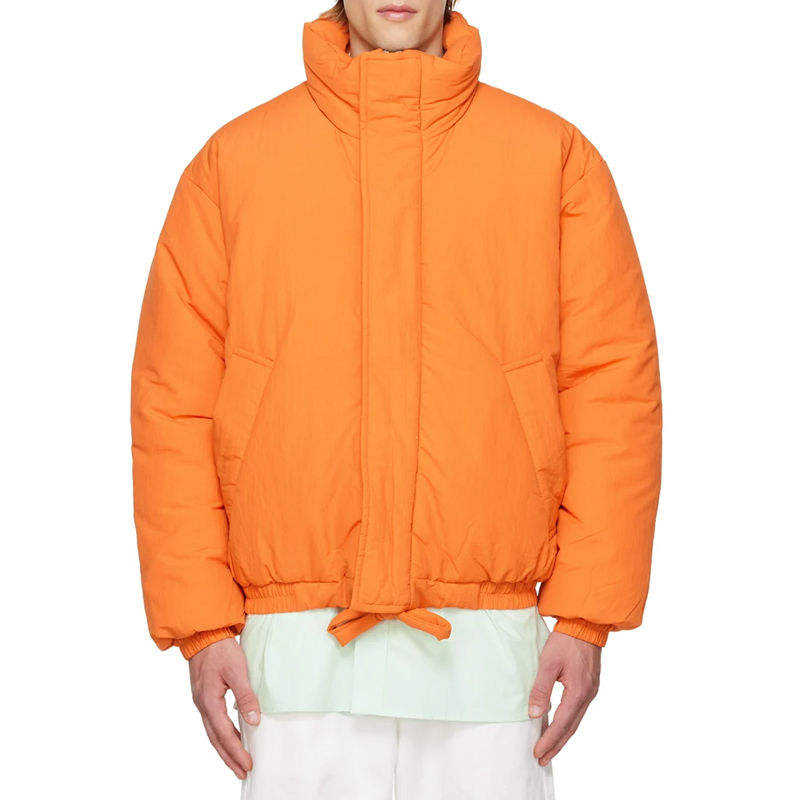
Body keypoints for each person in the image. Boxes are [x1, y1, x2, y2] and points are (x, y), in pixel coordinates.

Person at [131, 1, 662, 797]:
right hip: (294, 669)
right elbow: (174, 406)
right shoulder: (233, 165)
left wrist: (587, 617)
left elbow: (612, 391)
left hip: (489, 668)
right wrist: (202, 627)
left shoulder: (551, 158)